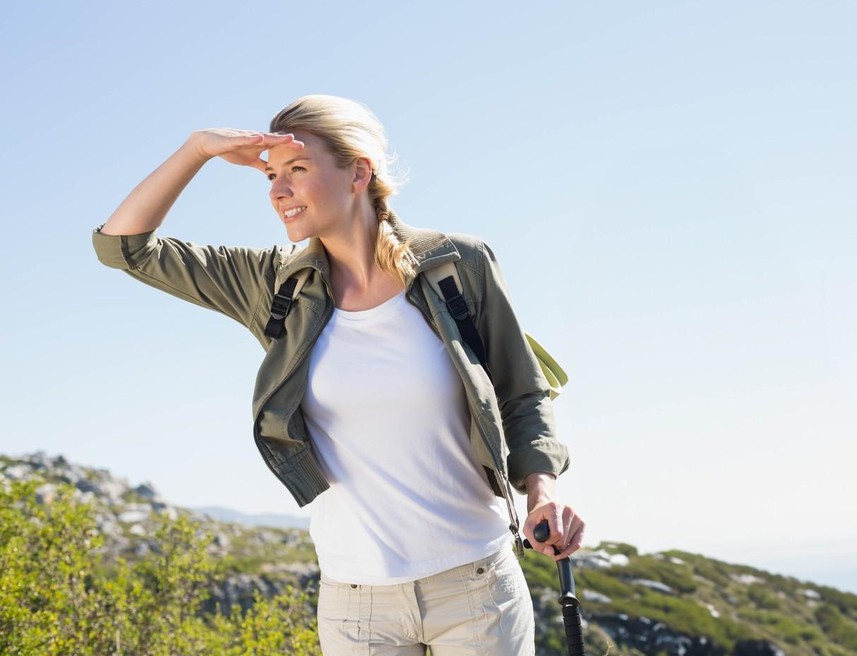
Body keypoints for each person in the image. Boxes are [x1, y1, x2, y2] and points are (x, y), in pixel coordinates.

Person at [93, 94, 585, 655]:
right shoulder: (273, 284)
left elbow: (522, 392)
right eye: (271, 175)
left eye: (297, 169)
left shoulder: (457, 266)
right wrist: (198, 149)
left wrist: (542, 492)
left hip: (477, 587)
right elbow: (124, 247)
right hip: (356, 606)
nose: (278, 190)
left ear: (358, 173)